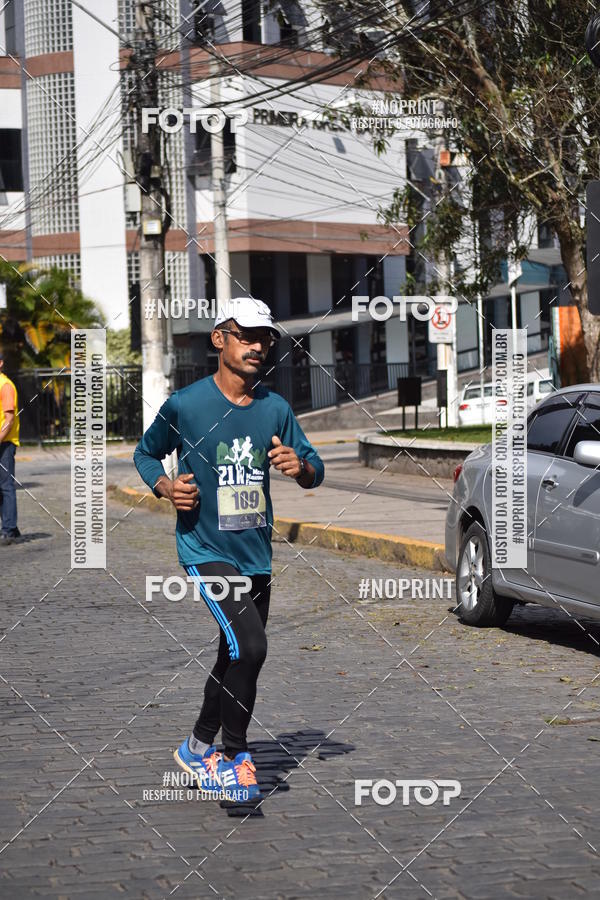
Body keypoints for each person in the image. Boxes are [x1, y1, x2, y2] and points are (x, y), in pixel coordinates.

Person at [134, 298, 325, 802]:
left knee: (233, 653)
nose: (259, 346)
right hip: (204, 549)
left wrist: (299, 467)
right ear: (220, 338)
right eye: (247, 335)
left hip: (256, 555)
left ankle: (196, 747)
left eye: (266, 338)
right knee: (253, 646)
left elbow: (314, 470)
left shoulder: (275, 409)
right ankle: (234, 757)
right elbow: (145, 452)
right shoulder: (186, 404)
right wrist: (165, 487)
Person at [0, 350, 20, 546]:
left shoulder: (5, 385)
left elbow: (9, 419)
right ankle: (9, 526)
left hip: (4, 443)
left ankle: (9, 530)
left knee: (5, 486)